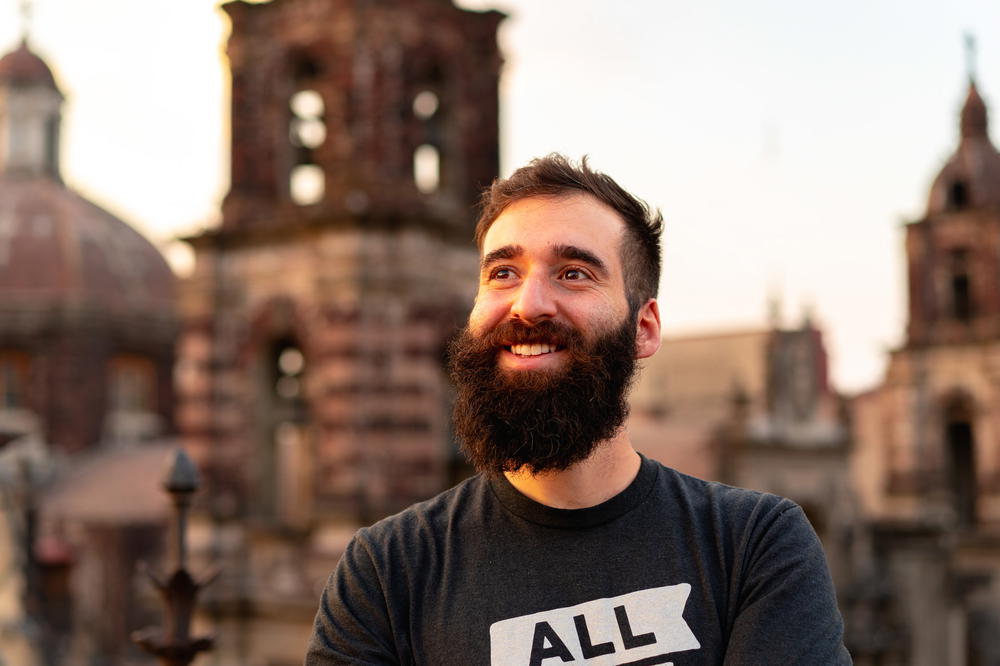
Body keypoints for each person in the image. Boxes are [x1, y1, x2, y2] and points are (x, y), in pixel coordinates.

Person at [305, 155, 852, 665]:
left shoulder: (754, 545)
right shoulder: (385, 573)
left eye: (573, 272)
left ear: (644, 328)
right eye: (502, 273)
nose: (529, 303)